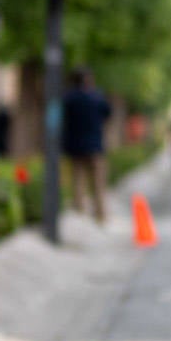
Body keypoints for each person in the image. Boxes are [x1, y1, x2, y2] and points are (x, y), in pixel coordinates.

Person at [61, 66, 112, 223]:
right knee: (98, 182)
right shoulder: (97, 97)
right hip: (95, 145)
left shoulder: (69, 98)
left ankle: (79, 210)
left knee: (78, 179)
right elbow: (108, 113)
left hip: (75, 145)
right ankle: (100, 214)